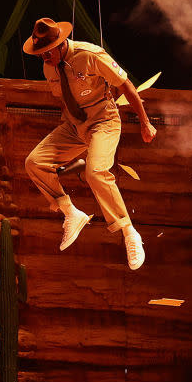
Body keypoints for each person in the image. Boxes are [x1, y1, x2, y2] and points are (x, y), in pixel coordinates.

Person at [22, 17, 157, 270]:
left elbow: (125, 85)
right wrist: (71, 128)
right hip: (75, 126)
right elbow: (63, 98)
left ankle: (129, 232)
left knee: (95, 173)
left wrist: (144, 123)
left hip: (103, 121)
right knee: (34, 162)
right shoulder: (49, 67)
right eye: (39, 53)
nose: (43, 57)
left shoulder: (90, 55)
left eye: (47, 52)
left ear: (61, 44)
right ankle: (71, 212)